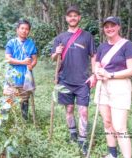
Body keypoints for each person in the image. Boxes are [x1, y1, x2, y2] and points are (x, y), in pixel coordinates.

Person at [51, 5, 97, 156]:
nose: (72, 18)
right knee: (69, 109)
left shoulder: (87, 36)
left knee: (83, 111)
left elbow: (94, 56)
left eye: (75, 15)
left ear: (79, 18)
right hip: (65, 80)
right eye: (70, 16)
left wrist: (94, 74)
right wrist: (56, 53)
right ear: (66, 18)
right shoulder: (60, 38)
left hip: (83, 81)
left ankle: (82, 140)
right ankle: (72, 133)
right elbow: (53, 58)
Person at [94, 16, 132, 158]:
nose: (109, 29)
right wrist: (97, 71)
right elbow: (97, 63)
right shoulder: (102, 46)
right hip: (103, 86)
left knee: (120, 127)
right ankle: (112, 154)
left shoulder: (127, 45)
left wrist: (110, 74)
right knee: (107, 122)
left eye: (113, 25)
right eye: (106, 26)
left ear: (119, 27)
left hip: (119, 86)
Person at [4, 19, 38, 120]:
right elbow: (8, 59)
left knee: (25, 99)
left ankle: (24, 120)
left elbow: (35, 59)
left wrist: (32, 65)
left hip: (26, 77)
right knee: (8, 99)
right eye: (22, 28)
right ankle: (4, 119)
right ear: (17, 30)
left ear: (29, 31)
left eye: (27, 29)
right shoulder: (11, 43)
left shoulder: (31, 43)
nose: (24, 31)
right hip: (12, 77)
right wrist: (22, 62)